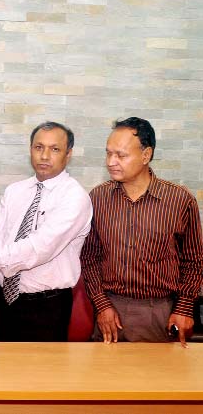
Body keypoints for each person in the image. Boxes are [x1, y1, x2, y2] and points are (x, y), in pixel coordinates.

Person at [0, 122, 93, 341]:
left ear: (68, 154)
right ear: (30, 149)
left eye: (54, 149)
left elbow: (38, 249)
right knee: (0, 371)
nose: (45, 155)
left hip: (46, 306)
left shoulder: (74, 197)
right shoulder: (16, 191)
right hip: (5, 302)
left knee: (39, 374)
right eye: (39, 147)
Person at [80, 117, 203, 347]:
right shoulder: (97, 198)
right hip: (109, 312)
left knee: (156, 380)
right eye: (108, 153)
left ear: (146, 155)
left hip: (158, 313)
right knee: (104, 380)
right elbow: (89, 257)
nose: (111, 161)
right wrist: (102, 305)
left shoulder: (179, 200)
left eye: (121, 155)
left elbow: (194, 260)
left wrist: (184, 307)